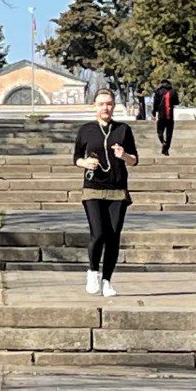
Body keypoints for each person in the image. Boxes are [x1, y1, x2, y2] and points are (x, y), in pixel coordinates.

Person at [73, 90, 138, 297]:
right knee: (99, 232)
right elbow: (76, 158)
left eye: (109, 104)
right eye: (101, 104)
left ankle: (107, 281)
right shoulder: (86, 130)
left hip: (117, 190)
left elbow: (134, 160)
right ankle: (93, 271)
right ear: (94, 106)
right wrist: (85, 163)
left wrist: (124, 155)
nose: (105, 108)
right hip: (93, 188)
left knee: (113, 236)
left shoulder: (123, 129)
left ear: (113, 106)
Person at [151, 79, 176, 155]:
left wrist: (154, 113)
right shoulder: (173, 91)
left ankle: (163, 142)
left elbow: (155, 103)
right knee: (169, 134)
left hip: (161, 116)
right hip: (170, 116)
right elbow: (176, 102)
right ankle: (166, 149)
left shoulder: (158, 91)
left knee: (160, 132)